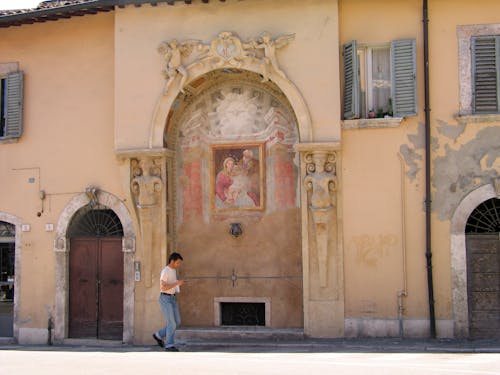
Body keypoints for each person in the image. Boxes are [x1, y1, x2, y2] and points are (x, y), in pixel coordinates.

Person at [152, 252, 184, 352]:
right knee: (171, 323)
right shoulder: (165, 271)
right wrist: (177, 283)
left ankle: (158, 335)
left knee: (177, 322)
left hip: (172, 298)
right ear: (172, 261)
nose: (179, 265)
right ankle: (169, 345)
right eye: (178, 263)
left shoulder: (173, 270)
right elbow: (163, 287)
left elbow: (172, 284)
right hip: (165, 299)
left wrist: (177, 284)